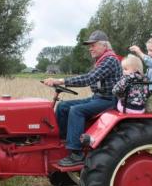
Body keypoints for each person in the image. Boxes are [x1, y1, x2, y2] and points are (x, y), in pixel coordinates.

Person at [43, 30, 122, 166]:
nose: (90, 48)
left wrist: (60, 81)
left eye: (93, 45)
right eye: (89, 46)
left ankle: (76, 153)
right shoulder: (101, 60)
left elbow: (88, 78)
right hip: (98, 98)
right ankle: (61, 141)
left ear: (104, 46)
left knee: (76, 110)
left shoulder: (110, 60)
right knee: (63, 107)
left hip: (109, 100)